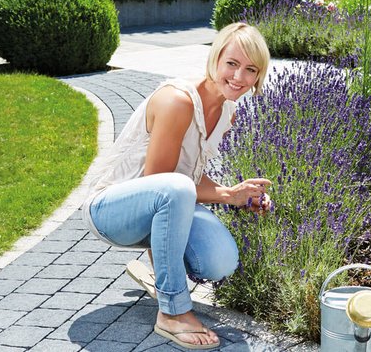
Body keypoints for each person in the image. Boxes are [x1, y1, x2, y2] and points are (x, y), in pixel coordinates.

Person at [82, 22, 273, 350]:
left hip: (162, 199)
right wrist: (225, 195)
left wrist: (235, 194)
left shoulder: (227, 111)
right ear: (215, 58)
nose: (239, 77)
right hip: (109, 211)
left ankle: (164, 280)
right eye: (232, 64)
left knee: (221, 259)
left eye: (250, 69)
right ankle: (172, 312)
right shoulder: (178, 101)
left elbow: (188, 174)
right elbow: (161, 186)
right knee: (175, 191)